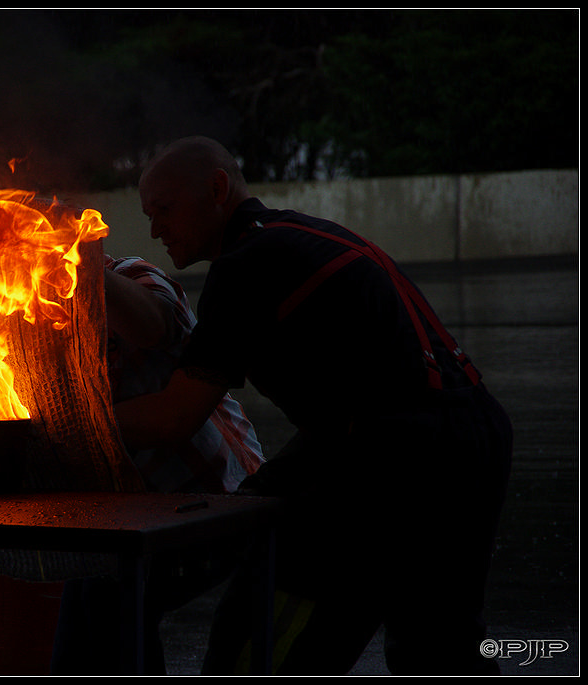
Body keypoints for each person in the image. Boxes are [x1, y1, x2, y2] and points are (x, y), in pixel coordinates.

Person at [113, 136, 512, 675]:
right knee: (439, 651)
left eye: (164, 209)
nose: (156, 229)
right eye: (149, 215)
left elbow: (174, 417)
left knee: (256, 653)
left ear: (216, 188)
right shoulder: (304, 235)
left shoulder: (246, 265)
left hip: (390, 452)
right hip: (475, 438)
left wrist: (54, 428)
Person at [49, 254, 264, 674]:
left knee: (109, 592)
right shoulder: (22, 313)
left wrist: (76, 264)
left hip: (219, 498)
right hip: (130, 511)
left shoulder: (130, 274)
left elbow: (155, 326)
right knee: (85, 609)